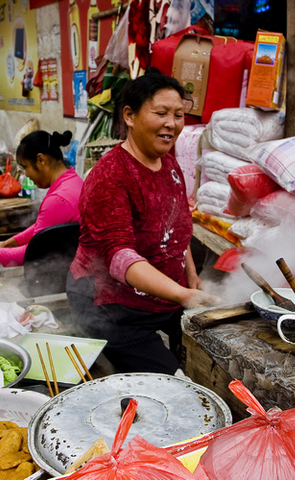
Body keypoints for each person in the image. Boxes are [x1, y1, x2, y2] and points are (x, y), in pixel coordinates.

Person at [66, 69, 221, 375]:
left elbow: (177, 229)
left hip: (164, 299)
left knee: (211, 355)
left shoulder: (170, 165)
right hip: (112, 309)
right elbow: (120, 257)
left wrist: (191, 278)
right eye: (161, 113)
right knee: (173, 382)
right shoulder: (110, 176)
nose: (171, 124)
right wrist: (183, 295)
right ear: (130, 116)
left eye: (178, 115)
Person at [0, 130, 83, 269]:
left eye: (25, 167)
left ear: (41, 160)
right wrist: (8, 243)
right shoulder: (73, 180)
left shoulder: (58, 199)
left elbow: (36, 250)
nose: (26, 175)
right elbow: (43, 227)